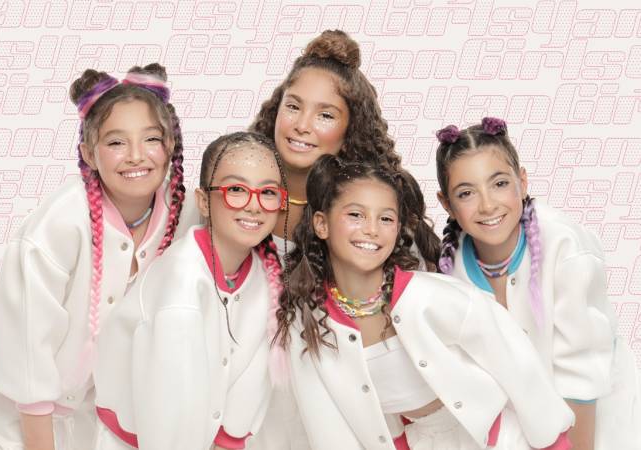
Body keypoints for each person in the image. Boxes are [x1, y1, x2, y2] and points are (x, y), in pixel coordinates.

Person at [274, 154, 574, 449]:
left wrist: (553, 443)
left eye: (386, 218)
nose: (371, 229)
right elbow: (332, 419)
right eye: (355, 215)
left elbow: (515, 361)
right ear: (321, 224)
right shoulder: (312, 324)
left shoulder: (431, 297)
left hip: (500, 438)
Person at [0, 63, 191, 450]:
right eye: (116, 142)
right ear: (89, 154)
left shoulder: (183, 211)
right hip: (20, 380)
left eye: (151, 139)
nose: (136, 156)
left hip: (95, 388)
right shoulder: (59, 225)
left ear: (170, 144)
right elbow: (26, 339)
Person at [249, 29, 439, 449]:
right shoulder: (238, 202)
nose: (302, 125)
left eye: (325, 115)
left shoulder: (370, 225)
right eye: (293, 106)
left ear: (350, 129)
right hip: (252, 423)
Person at [436, 117, 640, 450]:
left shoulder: (566, 249)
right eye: (467, 193)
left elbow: (582, 376)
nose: (487, 205)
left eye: (499, 183)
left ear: (522, 180)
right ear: (447, 203)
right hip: (522, 420)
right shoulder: (451, 269)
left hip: (594, 415)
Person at [93, 131, 287, 450]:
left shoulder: (265, 277)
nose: (254, 206)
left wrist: (228, 441)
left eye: (267, 192)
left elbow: (251, 380)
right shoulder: (181, 286)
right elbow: (168, 410)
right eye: (236, 190)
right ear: (204, 201)